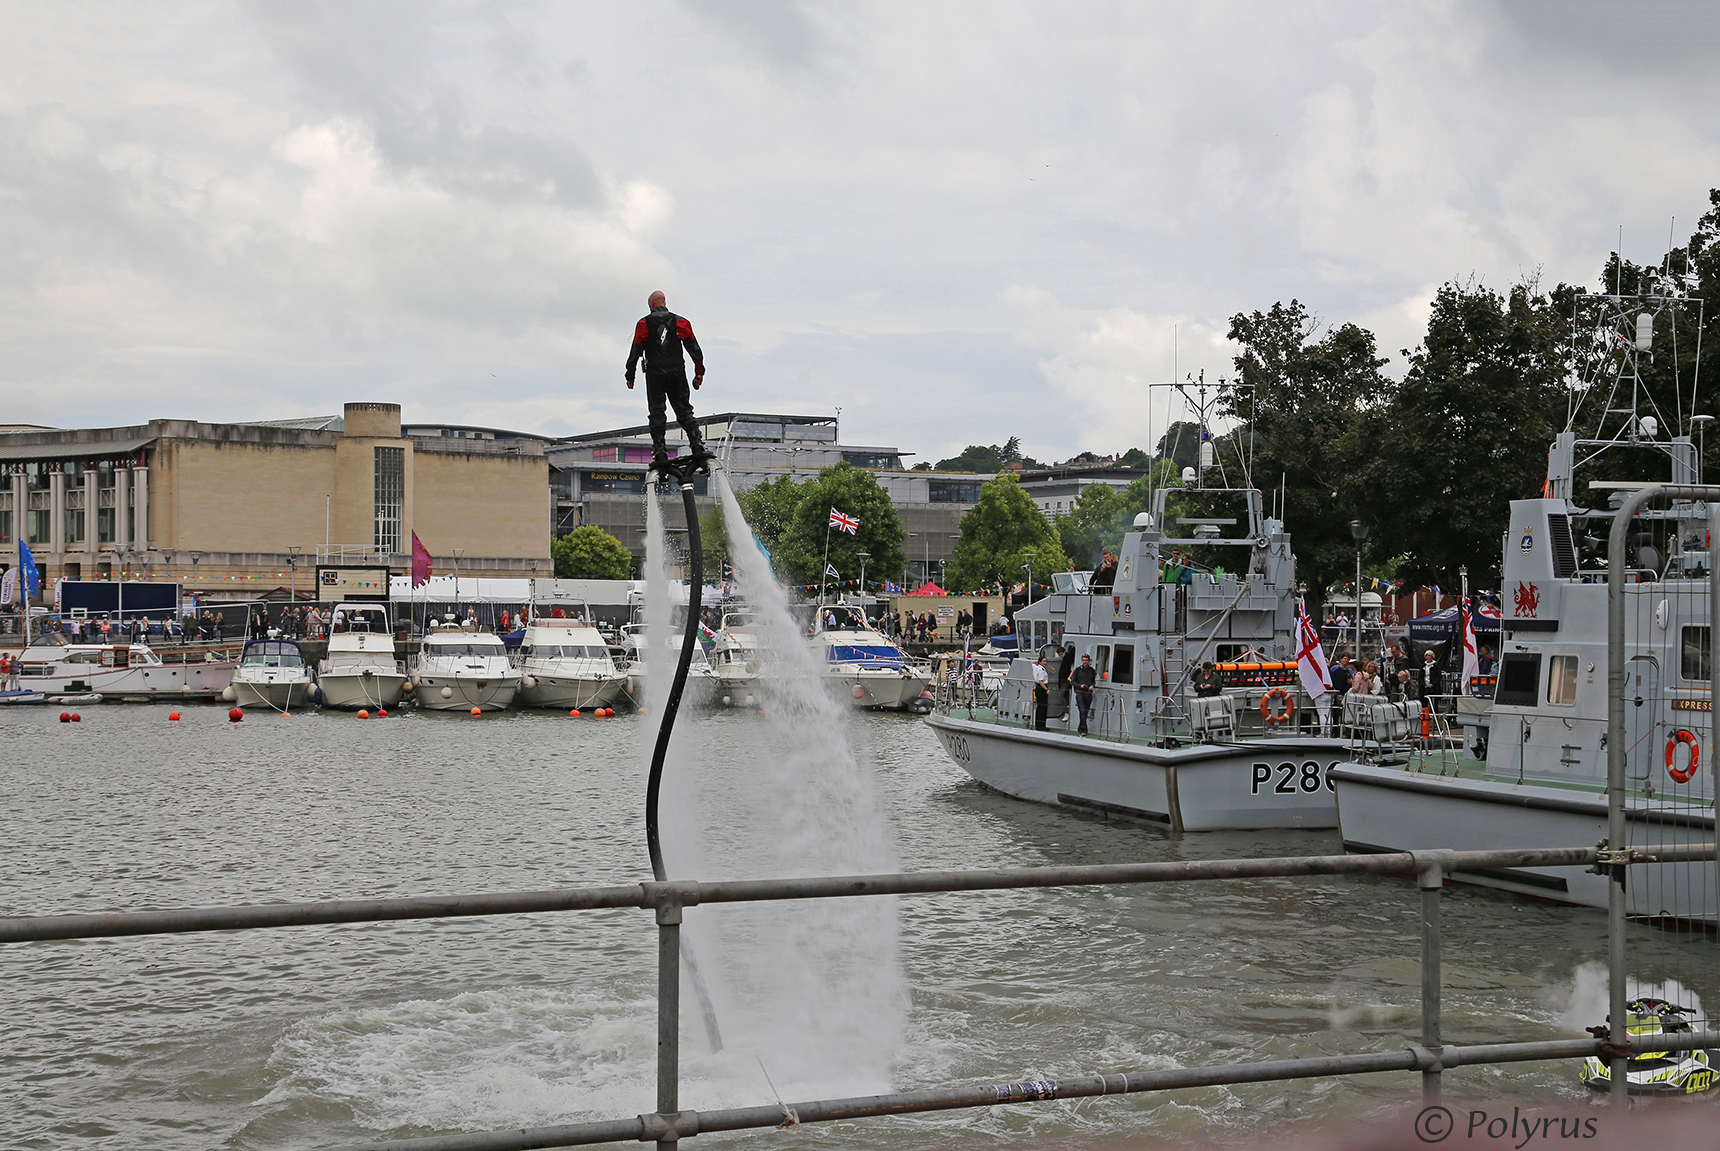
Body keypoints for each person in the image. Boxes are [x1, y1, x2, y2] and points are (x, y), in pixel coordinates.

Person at [624, 290, 708, 466]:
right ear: (664, 302)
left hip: (655, 374)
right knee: (684, 410)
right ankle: (697, 444)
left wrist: (630, 375)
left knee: (657, 412)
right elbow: (694, 349)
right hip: (677, 371)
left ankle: (660, 451)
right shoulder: (681, 322)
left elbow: (636, 351)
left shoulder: (644, 323)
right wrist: (699, 373)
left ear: (651, 304)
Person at [1071, 653, 1097, 735]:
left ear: (1089, 661)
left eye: (1086, 660)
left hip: (1088, 693)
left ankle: (1080, 727)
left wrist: (1092, 685)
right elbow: (1072, 681)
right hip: (1080, 692)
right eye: (1083, 660)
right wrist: (1080, 686)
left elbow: (1093, 681)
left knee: (1085, 711)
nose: (1085, 662)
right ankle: (1084, 729)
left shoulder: (1092, 670)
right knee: (1082, 710)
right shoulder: (1077, 670)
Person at [1031, 655, 1050, 731]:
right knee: (1043, 707)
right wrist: (1046, 689)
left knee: (1039, 707)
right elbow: (1041, 681)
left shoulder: (1036, 667)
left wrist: (1038, 662)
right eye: (1044, 661)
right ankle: (1041, 726)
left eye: (1046, 661)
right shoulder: (1041, 670)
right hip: (1042, 688)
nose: (1045, 663)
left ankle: (1038, 725)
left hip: (1037, 688)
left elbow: (1032, 663)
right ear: (1040, 662)